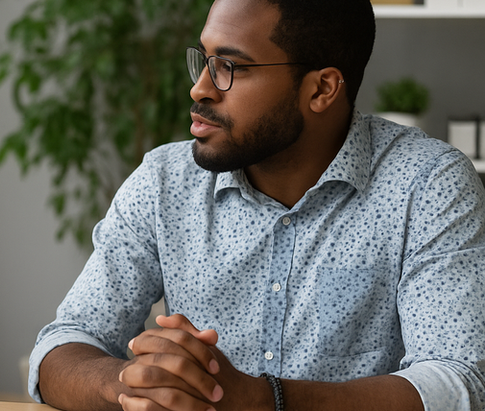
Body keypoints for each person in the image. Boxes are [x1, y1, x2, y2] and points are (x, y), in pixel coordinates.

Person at [28, 0, 485, 410]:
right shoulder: (164, 182)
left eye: (230, 66)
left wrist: (263, 401)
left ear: (321, 89)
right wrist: (136, 383)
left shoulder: (427, 184)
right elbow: (62, 346)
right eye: (204, 61)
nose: (200, 89)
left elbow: (457, 383)